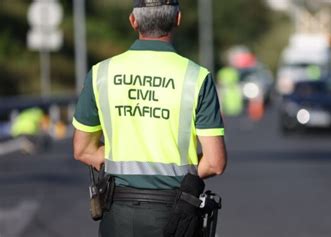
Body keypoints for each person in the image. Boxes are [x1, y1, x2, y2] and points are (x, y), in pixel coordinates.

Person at [72, 0, 227, 236]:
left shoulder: (100, 74)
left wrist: (126, 156)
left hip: (117, 216)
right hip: (175, 216)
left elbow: (83, 150)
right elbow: (215, 162)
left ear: (133, 21)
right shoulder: (196, 78)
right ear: (178, 19)